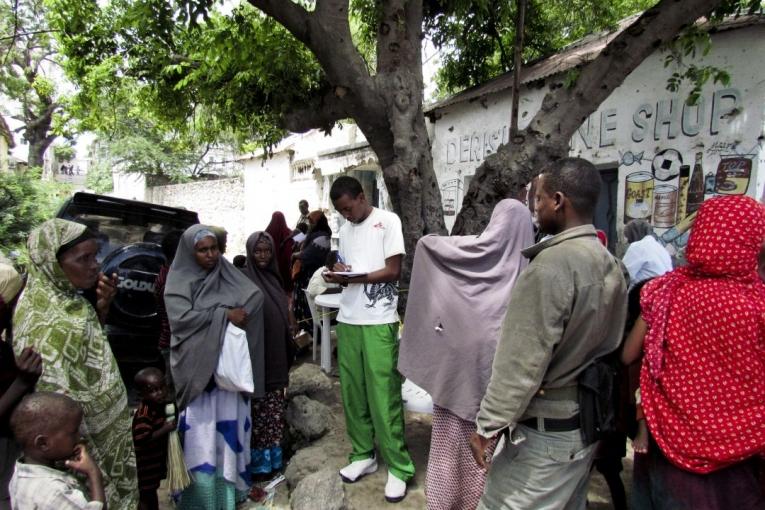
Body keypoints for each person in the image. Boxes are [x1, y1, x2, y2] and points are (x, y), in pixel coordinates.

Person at [470, 158, 628, 510]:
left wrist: (487, 426)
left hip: (547, 434)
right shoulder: (611, 264)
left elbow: (520, 361)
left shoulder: (550, 267)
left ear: (558, 201)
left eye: (538, 199)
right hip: (584, 426)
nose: (535, 207)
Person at [628, 195, 765, 509]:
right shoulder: (758, 304)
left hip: (666, 451)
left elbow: (628, 354)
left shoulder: (667, 292)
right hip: (740, 463)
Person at [398, 198, 534, 510]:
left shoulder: (469, 254)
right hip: (496, 394)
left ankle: (442, 504)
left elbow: (428, 245)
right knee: (484, 461)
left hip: (453, 380)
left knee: (447, 453)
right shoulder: (527, 276)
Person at [12, 219, 138, 509]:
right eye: (84, 258)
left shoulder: (74, 301)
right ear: (52, 263)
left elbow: (89, 355)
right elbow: (56, 401)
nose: (95, 265)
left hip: (105, 436)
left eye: (95, 256)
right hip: (81, 443)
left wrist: (102, 309)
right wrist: (87, 456)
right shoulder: (40, 319)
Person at [323, 176, 414, 503]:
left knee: (383, 394)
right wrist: (339, 271)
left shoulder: (388, 221)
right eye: (340, 211)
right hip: (349, 319)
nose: (346, 215)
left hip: (379, 321)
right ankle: (363, 454)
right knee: (353, 392)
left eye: (348, 208)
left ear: (362, 197)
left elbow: (393, 271)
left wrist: (357, 277)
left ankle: (399, 467)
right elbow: (351, 271)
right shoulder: (345, 230)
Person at [164, 225, 264, 509]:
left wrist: (231, 316)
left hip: (227, 376)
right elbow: (181, 319)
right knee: (202, 435)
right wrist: (224, 314)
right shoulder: (179, 280)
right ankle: (200, 497)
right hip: (197, 374)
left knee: (229, 431)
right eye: (202, 250)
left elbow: (253, 298)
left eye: (214, 249)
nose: (210, 255)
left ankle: (231, 491)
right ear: (189, 251)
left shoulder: (226, 273)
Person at [242, 231, 295, 479]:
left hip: (275, 359)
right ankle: (258, 467)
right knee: (257, 414)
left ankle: (273, 463)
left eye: (266, 251)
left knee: (273, 413)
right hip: (255, 361)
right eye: (257, 251)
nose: (262, 256)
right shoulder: (243, 282)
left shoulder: (274, 279)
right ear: (250, 253)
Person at [9, 392, 106, 509]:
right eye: (73, 432)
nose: (80, 437)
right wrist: (94, 474)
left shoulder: (19, 473)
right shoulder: (55, 492)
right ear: (43, 444)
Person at [132, 367, 175, 510]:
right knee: (147, 496)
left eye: (162, 388)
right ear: (141, 394)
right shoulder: (144, 414)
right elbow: (142, 439)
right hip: (145, 468)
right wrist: (165, 429)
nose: (160, 393)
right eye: (153, 391)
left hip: (155, 464)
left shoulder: (160, 406)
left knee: (152, 495)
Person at [292, 211, 333, 332]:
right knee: (303, 302)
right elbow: (297, 245)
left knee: (310, 304)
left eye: (312, 221)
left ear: (319, 222)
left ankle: (314, 332)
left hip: (312, 274)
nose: (310, 224)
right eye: (309, 222)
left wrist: (296, 255)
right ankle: (307, 330)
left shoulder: (322, 237)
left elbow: (308, 255)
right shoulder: (311, 234)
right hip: (304, 273)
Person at [155, 229, 183, 394]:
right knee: (176, 395)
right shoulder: (171, 280)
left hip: (172, 344)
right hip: (174, 346)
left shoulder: (169, 275)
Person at [622, 219, 672, 289]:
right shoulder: (661, 248)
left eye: (628, 237)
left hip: (646, 293)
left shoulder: (637, 246)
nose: (628, 242)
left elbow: (624, 275)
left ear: (633, 234)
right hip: (663, 293)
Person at [266, 212, 295, 294]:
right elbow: (300, 241)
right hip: (286, 265)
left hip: (272, 264)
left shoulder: (268, 232)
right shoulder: (289, 232)